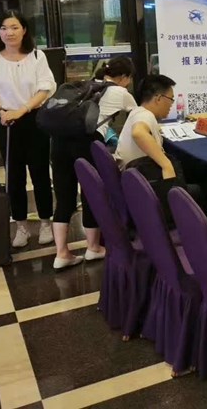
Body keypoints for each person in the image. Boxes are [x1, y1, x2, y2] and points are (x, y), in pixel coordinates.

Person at [50, 57, 137, 270]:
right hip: (86, 143)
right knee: (91, 193)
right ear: (124, 77)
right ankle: (93, 247)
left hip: (58, 143)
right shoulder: (120, 92)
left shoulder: (84, 86)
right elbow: (139, 116)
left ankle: (61, 254)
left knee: (64, 197)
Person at [0, 10, 56, 248]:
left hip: (34, 119)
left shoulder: (37, 56)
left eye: (14, 27)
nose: (9, 33)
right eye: (3, 28)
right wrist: (1, 112)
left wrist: (23, 110)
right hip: (7, 122)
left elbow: (45, 89)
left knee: (40, 173)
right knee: (14, 176)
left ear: (24, 30)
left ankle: (46, 223)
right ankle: (21, 226)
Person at [116, 74, 200, 222]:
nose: (172, 104)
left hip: (133, 182)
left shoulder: (137, 112)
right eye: (171, 99)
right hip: (144, 189)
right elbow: (138, 133)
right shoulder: (146, 116)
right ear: (159, 98)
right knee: (198, 190)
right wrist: (166, 165)